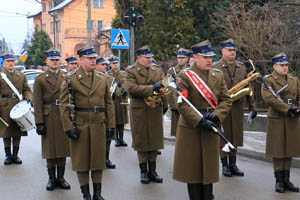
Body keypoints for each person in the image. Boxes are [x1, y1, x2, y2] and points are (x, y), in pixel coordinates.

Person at [173, 40, 232, 200]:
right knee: (193, 170)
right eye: (205, 57)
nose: (209, 60)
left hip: (211, 126)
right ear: (195, 57)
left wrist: (217, 115)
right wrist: (199, 121)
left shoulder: (217, 75)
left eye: (211, 57)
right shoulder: (185, 76)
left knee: (209, 169)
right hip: (191, 128)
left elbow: (226, 100)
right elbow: (181, 104)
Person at [59, 46, 115, 200]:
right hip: (80, 125)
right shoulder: (70, 79)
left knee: (98, 161)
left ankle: (97, 193)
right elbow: (63, 106)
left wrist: (111, 126)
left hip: (99, 124)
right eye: (90, 58)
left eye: (94, 58)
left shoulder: (102, 78)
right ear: (81, 59)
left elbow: (109, 104)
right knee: (81, 162)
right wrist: (68, 127)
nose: (93, 61)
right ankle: (86, 194)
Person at [213, 38, 257, 177]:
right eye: (230, 50)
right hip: (223, 107)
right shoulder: (216, 67)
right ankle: (225, 164)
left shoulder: (241, 67)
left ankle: (233, 164)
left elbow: (248, 87)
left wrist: (252, 106)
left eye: (234, 50)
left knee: (235, 136)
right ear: (222, 51)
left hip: (237, 107)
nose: (233, 53)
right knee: (224, 136)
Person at [125, 45, 168, 184]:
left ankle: (153, 171)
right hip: (140, 110)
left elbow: (163, 87)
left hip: (155, 109)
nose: (150, 60)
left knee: (154, 141)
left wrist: (165, 105)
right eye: (147, 57)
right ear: (139, 58)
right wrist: (151, 88)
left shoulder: (156, 70)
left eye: (150, 57)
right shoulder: (131, 71)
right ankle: (143, 171)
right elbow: (131, 89)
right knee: (142, 141)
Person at [261, 52, 300, 193]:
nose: (285, 68)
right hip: (277, 117)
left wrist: (297, 109)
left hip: (292, 117)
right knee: (278, 150)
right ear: (275, 66)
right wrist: (287, 109)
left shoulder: (294, 79)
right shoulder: (268, 80)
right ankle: (278, 180)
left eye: (286, 65)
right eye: (282, 65)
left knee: (289, 149)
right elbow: (269, 99)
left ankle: (286, 179)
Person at [33, 48, 71, 191]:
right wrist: (39, 122)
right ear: (47, 61)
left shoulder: (66, 76)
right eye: (52, 60)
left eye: (57, 59)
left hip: (62, 115)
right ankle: (51, 178)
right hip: (48, 116)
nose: (55, 62)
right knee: (50, 150)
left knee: (62, 148)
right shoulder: (40, 79)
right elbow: (37, 102)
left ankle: (61, 178)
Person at [0, 52, 32, 165]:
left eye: (12, 61)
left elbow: (26, 89)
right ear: (4, 62)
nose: (10, 63)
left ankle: (15, 155)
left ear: (15, 62)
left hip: (18, 106)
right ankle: (8, 156)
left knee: (17, 131)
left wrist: (28, 98)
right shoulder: (0, 75)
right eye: (8, 61)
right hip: (4, 106)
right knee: (6, 132)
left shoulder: (21, 75)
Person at [96, 56, 117, 169]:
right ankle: (98, 159)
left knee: (108, 137)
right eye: (102, 65)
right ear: (96, 66)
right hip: (97, 109)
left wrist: (115, 93)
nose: (105, 67)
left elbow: (115, 91)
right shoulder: (93, 77)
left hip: (108, 109)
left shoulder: (109, 78)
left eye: (105, 65)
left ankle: (106, 158)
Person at [167, 48, 191, 137]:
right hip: (177, 103)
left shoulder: (190, 70)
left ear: (187, 59)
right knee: (178, 131)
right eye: (179, 57)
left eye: (182, 57)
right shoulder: (172, 71)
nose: (180, 59)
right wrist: (172, 105)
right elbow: (169, 89)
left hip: (188, 103)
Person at [108, 56, 129, 147]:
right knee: (115, 120)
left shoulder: (123, 73)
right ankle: (116, 139)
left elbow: (127, 83)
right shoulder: (108, 74)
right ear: (110, 64)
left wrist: (125, 90)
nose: (115, 65)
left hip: (122, 100)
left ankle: (121, 138)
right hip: (113, 100)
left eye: (116, 63)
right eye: (113, 63)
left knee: (122, 121)